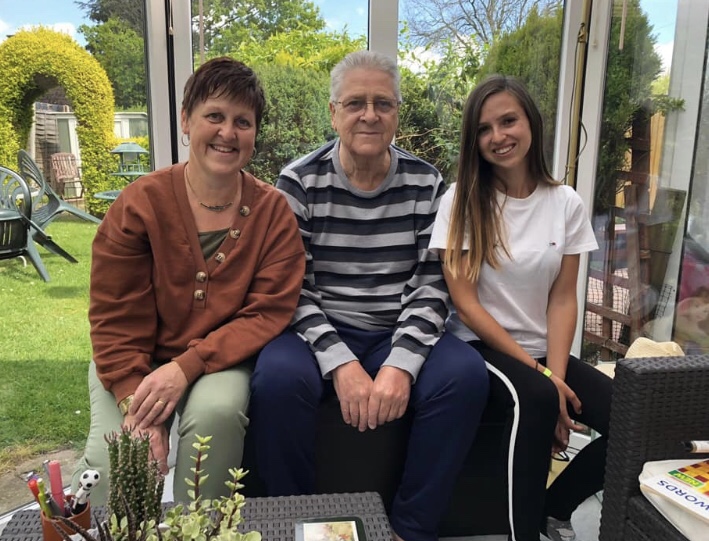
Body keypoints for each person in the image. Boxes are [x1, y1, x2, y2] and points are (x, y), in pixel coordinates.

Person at [249, 50, 489, 541]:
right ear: (333, 112)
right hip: (317, 328)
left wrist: (401, 364)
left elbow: (432, 285)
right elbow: (292, 288)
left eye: (383, 103)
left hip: (395, 327)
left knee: (464, 376)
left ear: (397, 113)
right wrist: (341, 363)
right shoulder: (299, 182)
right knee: (276, 380)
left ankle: (408, 530)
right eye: (355, 103)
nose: (370, 115)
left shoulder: (426, 183)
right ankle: (291, 526)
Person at [72, 57, 305, 504]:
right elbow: (115, 315)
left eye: (243, 122)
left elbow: (267, 311)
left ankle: (202, 529)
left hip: (220, 360)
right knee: (116, 461)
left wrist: (186, 367)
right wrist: (136, 402)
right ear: (186, 120)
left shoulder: (272, 212)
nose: (227, 133)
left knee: (216, 419)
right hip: (133, 360)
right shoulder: (140, 204)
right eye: (214, 116)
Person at [429, 74, 612, 541]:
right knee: (536, 399)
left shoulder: (565, 202)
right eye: (484, 129)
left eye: (508, 121)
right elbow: (466, 305)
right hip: (479, 347)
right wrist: (543, 379)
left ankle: (556, 506)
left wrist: (556, 375)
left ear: (530, 121)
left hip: (542, 353)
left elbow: (563, 298)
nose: (498, 136)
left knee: (634, 417)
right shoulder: (460, 201)